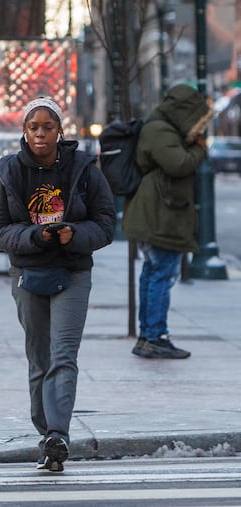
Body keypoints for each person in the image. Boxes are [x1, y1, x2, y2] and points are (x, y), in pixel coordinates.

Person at [0, 97, 115, 472]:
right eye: (33, 127)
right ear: (24, 131)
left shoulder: (85, 168)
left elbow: (106, 222)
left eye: (47, 127)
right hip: (28, 273)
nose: (40, 134)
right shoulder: (9, 171)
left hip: (73, 271)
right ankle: (46, 434)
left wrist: (72, 234)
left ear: (60, 130)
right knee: (39, 357)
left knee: (63, 354)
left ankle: (58, 433)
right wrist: (34, 237)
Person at [122, 84, 213, 360]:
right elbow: (178, 164)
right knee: (161, 273)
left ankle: (149, 335)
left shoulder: (161, 127)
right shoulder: (160, 130)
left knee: (153, 272)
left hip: (159, 212)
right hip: (160, 215)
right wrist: (200, 150)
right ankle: (154, 336)